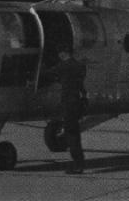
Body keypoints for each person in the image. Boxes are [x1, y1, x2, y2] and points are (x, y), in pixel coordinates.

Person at [50, 44, 87, 174]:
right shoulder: (79, 66)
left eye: (59, 53)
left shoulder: (62, 66)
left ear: (63, 53)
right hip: (77, 102)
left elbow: (50, 74)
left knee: (71, 135)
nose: (59, 55)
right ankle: (79, 162)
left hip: (68, 104)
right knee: (75, 133)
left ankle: (78, 164)